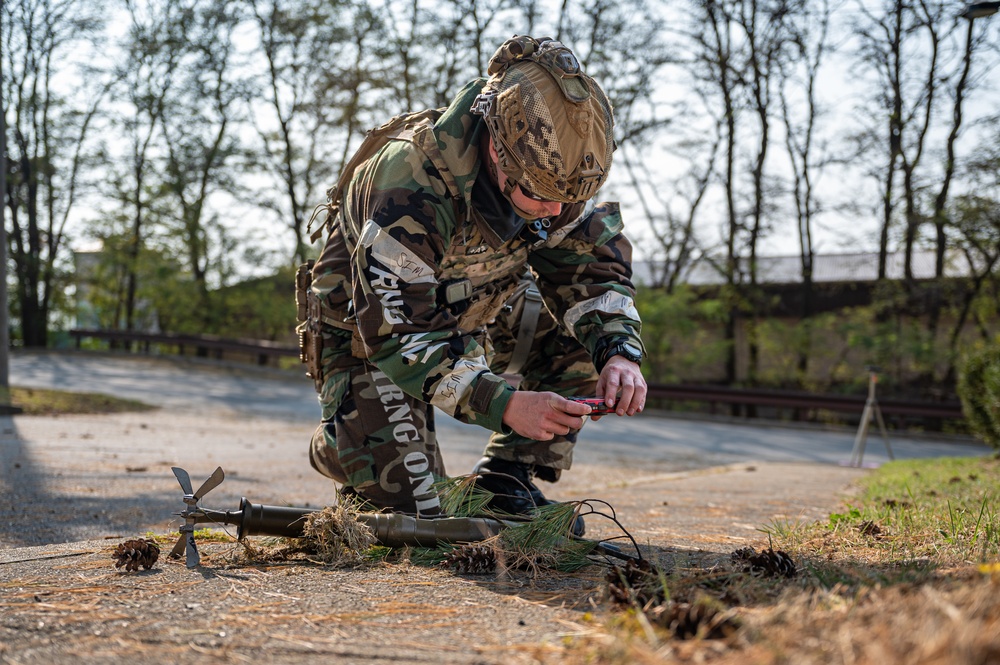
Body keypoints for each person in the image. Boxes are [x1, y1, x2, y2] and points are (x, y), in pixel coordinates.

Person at [297, 35, 647, 532]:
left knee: (580, 328)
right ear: (497, 151)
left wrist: (618, 352)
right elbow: (400, 331)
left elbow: (591, 272)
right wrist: (503, 404)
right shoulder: (410, 179)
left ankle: (507, 478)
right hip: (369, 333)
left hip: (477, 304)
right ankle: (342, 438)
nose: (554, 212)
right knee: (419, 520)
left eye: (567, 201)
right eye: (538, 195)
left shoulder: (558, 170)